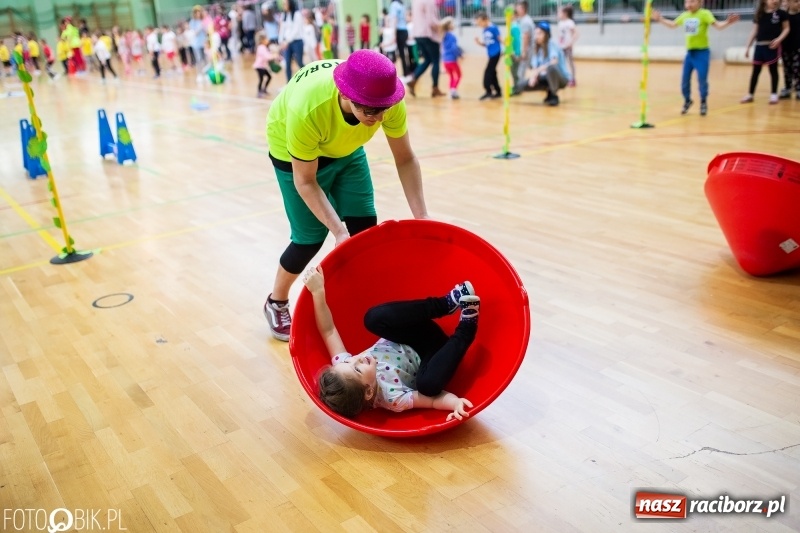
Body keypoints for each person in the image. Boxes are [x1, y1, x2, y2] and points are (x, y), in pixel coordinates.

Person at [263, 50, 429, 341]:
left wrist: (422, 216)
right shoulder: (309, 109)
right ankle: (276, 302)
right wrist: (338, 231)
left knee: (364, 229)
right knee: (309, 239)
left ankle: (359, 299)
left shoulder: (385, 99)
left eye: (383, 110)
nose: (379, 118)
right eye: (371, 112)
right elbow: (306, 181)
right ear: (346, 95)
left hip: (346, 149)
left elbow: (405, 158)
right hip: (293, 155)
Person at [303, 266, 479, 420]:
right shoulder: (392, 399)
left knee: (373, 319)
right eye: (357, 369)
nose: (356, 358)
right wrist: (455, 403)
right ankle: (466, 329)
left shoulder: (342, 366)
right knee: (428, 386)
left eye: (348, 361)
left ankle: (445, 304)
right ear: (369, 391)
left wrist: (318, 292)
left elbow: (328, 330)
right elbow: (433, 400)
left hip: (413, 332)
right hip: (435, 355)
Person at [652, 0, 739, 115]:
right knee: (684, 80)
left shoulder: (705, 14)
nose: (689, 4)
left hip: (702, 53)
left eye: (692, 1)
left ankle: (703, 102)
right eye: (687, 2)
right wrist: (660, 19)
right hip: (690, 54)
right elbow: (673, 25)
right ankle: (687, 100)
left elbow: (718, 26)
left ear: (700, 2)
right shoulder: (685, 15)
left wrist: (727, 22)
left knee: (702, 79)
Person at [742, 0, 789, 104]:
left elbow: (786, 29)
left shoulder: (781, 13)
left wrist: (779, 40)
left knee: (773, 70)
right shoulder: (759, 14)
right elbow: (754, 31)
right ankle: (750, 94)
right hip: (759, 46)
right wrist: (748, 47)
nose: (775, 1)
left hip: (772, 47)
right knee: (755, 71)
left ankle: (773, 94)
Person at [513, 21, 570, 106]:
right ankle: (549, 92)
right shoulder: (537, 49)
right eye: (536, 33)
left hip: (561, 79)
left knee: (551, 68)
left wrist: (538, 70)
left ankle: (553, 95)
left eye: (540, 33)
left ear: (546, 34)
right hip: (546, 77)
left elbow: (554, 61)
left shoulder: (552, 44)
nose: (537, 36)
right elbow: (535, 67)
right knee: (520, 85)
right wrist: (533, 77)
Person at [408, 0, 444, 97]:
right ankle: (435, 88)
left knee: (427, 60)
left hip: (418, 34)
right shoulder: (429, 1)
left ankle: (413, 80)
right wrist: (442, 27)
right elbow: (432, 21)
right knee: (435, 61)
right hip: (428, 35)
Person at [474, 11, 502, 100]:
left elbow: (500, 39)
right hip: (490, 53)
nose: (479, 25)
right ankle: (498, 91)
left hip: (496, 53)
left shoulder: (493, 28)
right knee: (493, 72)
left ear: (485, 20)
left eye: (480, 22)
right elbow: (487, 44)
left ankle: (488, 90)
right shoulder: (485, 30)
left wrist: (508, 45)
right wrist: (479, 43)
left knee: (488, 72)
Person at [279, 0, 305, 81]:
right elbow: (282, 29)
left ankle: (308, 79)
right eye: (283, 4)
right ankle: (288, 83)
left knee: (299, 62)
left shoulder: (297, 14)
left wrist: (287, 41)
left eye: (285, 4)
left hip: (297, 41)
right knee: (287, 63)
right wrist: (281, 41)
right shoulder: (283, 15)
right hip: (286, 43)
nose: (284, 6)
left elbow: (296, 30)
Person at [780, 0, 800, 98]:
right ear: (789, 2)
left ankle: (798, 88)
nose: (799, 3)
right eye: (796, 1)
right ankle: (788, 87)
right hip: (786, 48)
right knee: (787, 69)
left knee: (798, 69)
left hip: (798, 48)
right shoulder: (784, 16)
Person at [513, 1, 534, 89]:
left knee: (520, 72)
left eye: (517, 7)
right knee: (521, 70)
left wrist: (524, 52)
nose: (515, 9)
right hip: (526, 49)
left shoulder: (525, 21)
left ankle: (520, 88)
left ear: (523, 9)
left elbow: (526, 37)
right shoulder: (522, 20)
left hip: (527, 49)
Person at [441, 16, 462, 99]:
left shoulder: (443, 36)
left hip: (445, 61)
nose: (454, 25)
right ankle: (453, 90)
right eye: (452, 23)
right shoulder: (452, 36)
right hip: (452, 60)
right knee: (459, 75)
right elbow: (454, 48)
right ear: (449, 25)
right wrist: (460, 55)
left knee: (451, 76)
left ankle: (452, 91)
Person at [557, 5, 578, 86]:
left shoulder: (570, 22)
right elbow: (560, 35)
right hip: (561, 46)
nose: (558, 14)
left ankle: (572, 79)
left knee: (570, 62)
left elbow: (576, 34)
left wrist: (570, 43)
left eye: (559, 12)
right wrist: (558, 44)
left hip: (568, 47)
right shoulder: (560, 23)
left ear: (565, 13)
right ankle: (564, 78)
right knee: (561, 62)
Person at [390, 0, 411, 76]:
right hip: (405, 30)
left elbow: (395, 19)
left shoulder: (394, 5)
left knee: (401, 53)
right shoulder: (401, 5)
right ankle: (408, 70)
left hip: (399, 31)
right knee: (405, 52)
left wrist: (394, 34)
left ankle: (405, 72)